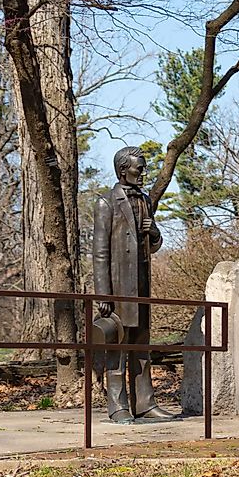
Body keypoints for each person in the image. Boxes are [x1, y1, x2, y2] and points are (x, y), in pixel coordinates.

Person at [93, 146, 174, 423]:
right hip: (118, 287)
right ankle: (118, 405)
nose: (143, 173)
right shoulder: (106, 203)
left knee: (141, 345)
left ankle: (145, 403)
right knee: (118, 344)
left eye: (143, 168)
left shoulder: (145, 201)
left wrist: (154, 233)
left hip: (141, 283)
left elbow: (151, 247)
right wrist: (103, 293)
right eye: (139, 168)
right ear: (122, 170)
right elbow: (100, 252)